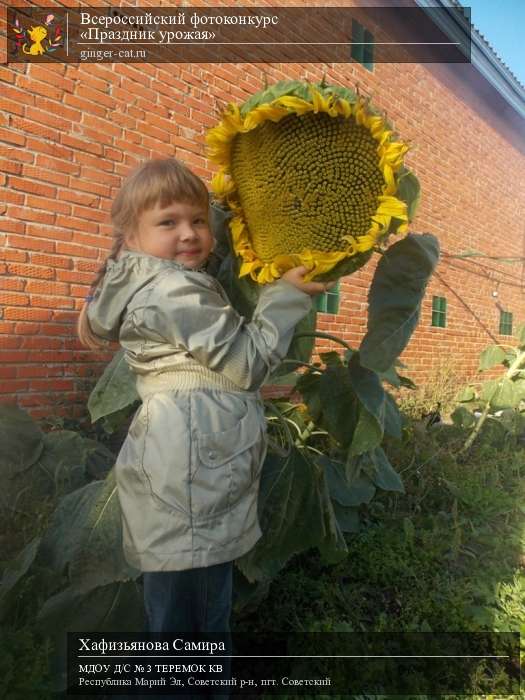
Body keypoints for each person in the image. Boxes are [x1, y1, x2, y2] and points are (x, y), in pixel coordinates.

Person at [76, 157, 335, 698]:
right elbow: (245, 363)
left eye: (197, 219)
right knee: (190, 618)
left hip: (185, 466)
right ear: (132, 233)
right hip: (192, 471)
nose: (190, 233)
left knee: (184, 607)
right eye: (168, 222)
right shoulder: (173, 289)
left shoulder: (150, 279)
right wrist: (283, 297)